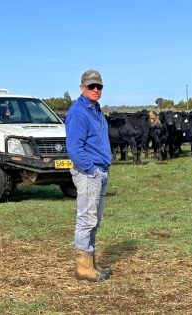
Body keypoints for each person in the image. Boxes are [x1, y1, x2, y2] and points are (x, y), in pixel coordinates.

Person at [65, 69, 113, 282]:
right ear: (82, 88)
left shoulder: (95, 110)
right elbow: (74, 148)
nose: (96, 90)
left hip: (100, 170)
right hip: (89, 173)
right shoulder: (78, 112)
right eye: (91, 86)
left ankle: (91, 262)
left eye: (99, 86)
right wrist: (92, 169)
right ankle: (83, 267)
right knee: (86, 218)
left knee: (95, 218)